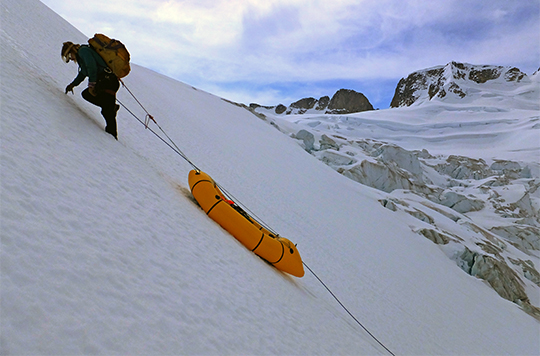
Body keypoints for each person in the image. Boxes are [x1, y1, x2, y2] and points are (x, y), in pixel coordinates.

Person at [62, 41, 120, 139]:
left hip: (108, 81)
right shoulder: (82, 56)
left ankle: (112, 137)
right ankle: (111, 108)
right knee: (87, 95)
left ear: (71, 50)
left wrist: (91, 85)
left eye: (69, 56)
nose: (71, 59)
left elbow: (91, 67)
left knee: (107, 112)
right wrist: (73, 84)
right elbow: (83, 73)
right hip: (106, 82)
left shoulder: (83, 51)